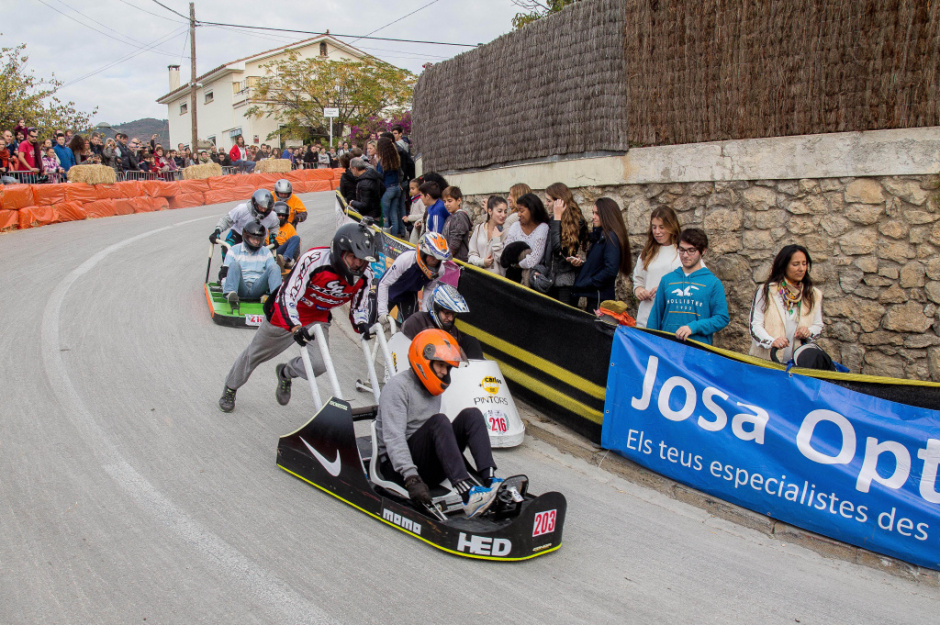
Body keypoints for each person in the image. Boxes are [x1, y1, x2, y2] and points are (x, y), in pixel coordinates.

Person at [218, 221, 377, 413]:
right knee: (255, 354)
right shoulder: (314, 260)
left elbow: (360, 304)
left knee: (319, 365)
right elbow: (288, 294)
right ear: (340, 251)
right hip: (285, 313)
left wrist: (362, 323)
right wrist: (294, 326)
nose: (358, 264)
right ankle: (231, 387)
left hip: (317, 317)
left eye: (362, 260)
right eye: (353, 257)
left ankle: (285, 372)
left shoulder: (365, 275)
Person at [375, 328, 501, 517]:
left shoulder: (432, 389)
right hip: (399, 470)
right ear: (424, 360)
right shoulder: (398, 387)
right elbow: (394, 439)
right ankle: (468, 495)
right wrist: (411, 479)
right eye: (440, 365)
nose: (443, 372)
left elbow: (437, 437)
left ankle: (490, 480)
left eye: (447, 367)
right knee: (440, 421)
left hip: (426, 464)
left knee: (472, 415)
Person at [647, 228, 729, 345]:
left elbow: (722, 318)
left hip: (697, 349)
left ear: (703, 251)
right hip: (666, 348)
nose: (685, 255)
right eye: (681, 250)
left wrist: (694, 327)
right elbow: (655, 316)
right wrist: (649, 342)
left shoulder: (713, 283)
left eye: (691, 250)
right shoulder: (667, 280)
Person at [748, 244, 823, 363]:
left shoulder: (813, 294)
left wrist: (808, 332)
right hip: (765, 362)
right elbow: (755, 325)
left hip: (797, 365)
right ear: (784, 266)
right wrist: (771, 341)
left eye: (804, 264)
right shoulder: (766, 291)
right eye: (795, 264)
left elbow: (818, 325)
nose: (801, 269)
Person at [376, 231, 451, 325]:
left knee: (411, 326)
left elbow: (429, 289)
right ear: (423, 253)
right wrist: (382, 311)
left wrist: (425, 312)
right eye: (432, 256)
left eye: (438, 258)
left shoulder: (440, 270)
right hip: (390, 291)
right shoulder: (405, 260)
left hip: (409, 295)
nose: (435, 261)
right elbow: (384, 283)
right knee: (374, 325)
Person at [572, 197, 632, 311]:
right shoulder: (601, 237)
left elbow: (610, 270)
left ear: (606, 215)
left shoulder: (610, 237)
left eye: (597, 213)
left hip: (600, 299)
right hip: (596, 297)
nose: (593, 217)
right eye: (593, 213)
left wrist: (589, 282)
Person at [401, 284, 484, 360]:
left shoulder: (453, 331)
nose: (451, 318)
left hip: (446, 371)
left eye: (453, 314)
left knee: (471, 341)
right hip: (420, 367)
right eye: (447, 313)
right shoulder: (417, 321)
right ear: (436, 308)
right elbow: (402, 350)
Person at [633, 207, 682, 328]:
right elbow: (638, 280)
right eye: (654, 227)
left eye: (662, 227)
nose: (657, 231)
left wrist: (666, 288)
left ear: (672, 226)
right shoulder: (647, 253)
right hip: (646, 316)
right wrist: (639, 291)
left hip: (671, 319)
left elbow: (695, 281)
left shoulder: (683, 252)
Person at [220, 221, 282, 307]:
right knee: (234, 265)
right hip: (240, 287)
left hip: (258, 288)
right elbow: (225, 274)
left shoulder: (266, 252)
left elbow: (272, 272)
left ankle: (276, 298)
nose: (257, 242)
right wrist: (225, 287)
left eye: (259, 239)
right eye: (254, 239)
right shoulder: (234, 250)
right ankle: (230, 294)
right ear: (246, 237)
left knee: (275, 267)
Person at [545, 182, 588, 305]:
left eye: (549, 201)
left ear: (560, 202)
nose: (546, 204)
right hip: (551, 278)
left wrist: (557, 217)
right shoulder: (553, 220)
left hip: (565, 280)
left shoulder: (577, 222)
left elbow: (557, 248)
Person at [209, 189, 279, 253]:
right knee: (227, 249)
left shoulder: (272, 216)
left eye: (266, 208)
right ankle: (227, 266)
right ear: (255, 204)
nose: (263, 210)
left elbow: (275, 226)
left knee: (263, 255)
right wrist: (217, 231)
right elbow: (226, 220)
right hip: (238, 234)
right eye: (261, 207)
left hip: (258, 238)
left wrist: (272, 237)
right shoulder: (242, 209)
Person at [503, 193, 550, 281]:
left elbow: (534, 259)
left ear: (532, 210)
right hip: (512, 276)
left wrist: (516, 265)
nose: (518, 214)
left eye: (522, 211)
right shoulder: (515, 226)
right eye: (518, 211)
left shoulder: (542, 228)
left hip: (532, 277)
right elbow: (507, 251)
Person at [468, 195, 508, 275]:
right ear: (490, 211)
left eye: (505, 212)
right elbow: (471, 255)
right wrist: (482, 262)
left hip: (498, 281)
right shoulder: (479, 229)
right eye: (499, 211)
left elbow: (504, 261)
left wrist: (496, 240)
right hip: (479, 278)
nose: (503, 215)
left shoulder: (506, 232)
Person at [375, 137, 404, 236]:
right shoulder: (396, 159)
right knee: (394, 215)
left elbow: (379, 177)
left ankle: (386, 238)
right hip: (396, 188)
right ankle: (395, 237)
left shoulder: (382, 162)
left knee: (385, 217)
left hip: (387, 190)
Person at [440, 186, 472, 262]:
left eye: (450, 201)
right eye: (444, 201)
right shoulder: (450, 217)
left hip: (458, 260)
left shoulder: (460, 216)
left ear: (458, 200)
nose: (446, 204)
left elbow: (455, 242)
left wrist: (446, 258)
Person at [349, 157, 384, 221]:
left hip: (370, 216)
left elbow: (365, 205)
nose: (350, 171)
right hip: (375, 211)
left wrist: (353, 203)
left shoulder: (364, 183)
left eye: (350, 168)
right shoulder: (371, 174)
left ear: (355, 169)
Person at [273, 201, 301, 270]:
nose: (281, 217)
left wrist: (296, 259)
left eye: (283, 216)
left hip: (280, 252)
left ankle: (284, 260)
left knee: (296, 238)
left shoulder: (289, 227)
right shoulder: (268, 224)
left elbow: (296, 246)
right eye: (278, 215)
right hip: (268, 250)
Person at [403, 179, 426, 244]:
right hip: (413, 224)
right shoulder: (414, 199)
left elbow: (423, 214)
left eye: (413, 189)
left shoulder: (420, 201)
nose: (411, 191)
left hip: (418, 226)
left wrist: (410, 218)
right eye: (410, 189)